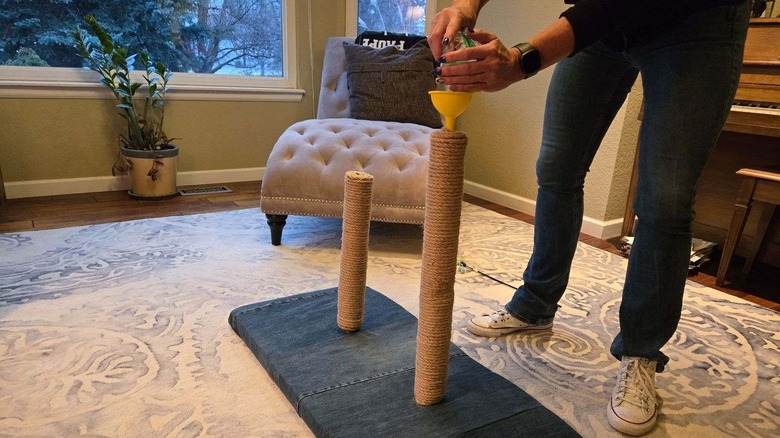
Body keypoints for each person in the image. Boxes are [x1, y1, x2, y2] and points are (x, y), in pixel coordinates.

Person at [429, 0, 750, 435]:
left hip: (698, 21)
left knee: (665, 199)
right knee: (558, 167)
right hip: (601, 25)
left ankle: (640, 352)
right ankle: (535, 303)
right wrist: (466, 4)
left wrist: (524, 59)